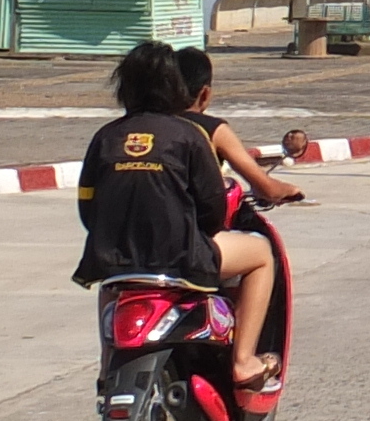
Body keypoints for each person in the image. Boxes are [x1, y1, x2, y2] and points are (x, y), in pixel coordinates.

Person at [73, 40, 276, 393]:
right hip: (180, 257)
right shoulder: (188, 135)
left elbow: (87, 207)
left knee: (113, 285)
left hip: (113, 258)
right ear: (175, 86)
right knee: (261, 256)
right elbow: (212, 209)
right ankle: (244, 362)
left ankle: (108, 368)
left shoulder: (105, 137)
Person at [169, 45, 303, 223]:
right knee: (259, 247)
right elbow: (267, 189)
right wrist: (289, 190)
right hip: (189, 232)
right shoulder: (213, 129)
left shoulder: (133, 126)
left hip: (130, 229)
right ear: (205, 93)